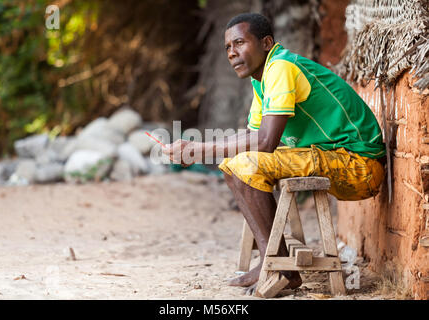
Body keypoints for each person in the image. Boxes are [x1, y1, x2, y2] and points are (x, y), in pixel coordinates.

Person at [162, 12, 386, 293]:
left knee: (244, 165)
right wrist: (199, 149)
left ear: (266, 43)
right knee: (235, 163)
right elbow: (252, 136)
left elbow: (267, 142)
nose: (232, 53)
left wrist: (201, 149)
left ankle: (275, 262)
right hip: (334, 158)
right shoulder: (262, 80)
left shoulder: (280, 67)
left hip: (358, 163)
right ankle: (275, 260)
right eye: (228, 48)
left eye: (240, 43)